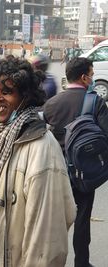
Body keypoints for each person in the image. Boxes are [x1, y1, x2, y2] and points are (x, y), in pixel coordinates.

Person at [0, 57, 76, 267]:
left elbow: (46, 243)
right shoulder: (9, 138)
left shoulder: (41, 148)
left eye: (7, 92)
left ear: (25, 97)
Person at [43, 57, 108, 267]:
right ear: (83, 77)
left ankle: (50, 260)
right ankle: (82, 262)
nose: (92, 78)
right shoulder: (95, 102)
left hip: (56, 172)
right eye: (91, 74)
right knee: (82, 219)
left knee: (55, 220)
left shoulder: (52, 104)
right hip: (84, 172)